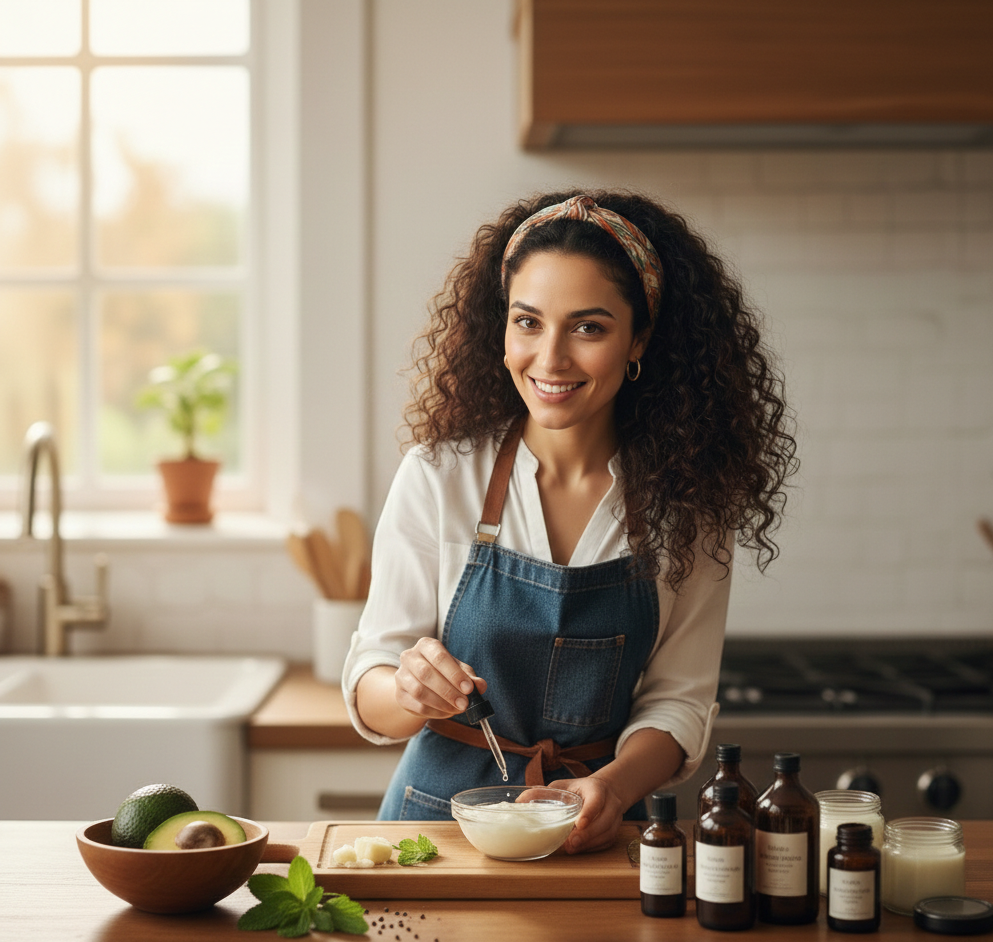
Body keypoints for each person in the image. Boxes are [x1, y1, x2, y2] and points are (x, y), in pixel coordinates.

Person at [341, 190, 797, 853]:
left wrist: (609, 789)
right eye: (528, 322)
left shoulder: (688, 503)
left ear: (638, 339)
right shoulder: (440, 475)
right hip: (435, 831)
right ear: (500, 329)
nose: (549, 359)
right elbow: (370, 681)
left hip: (600, 831)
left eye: (588, 327)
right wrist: (409, 688)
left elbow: (678, 702)